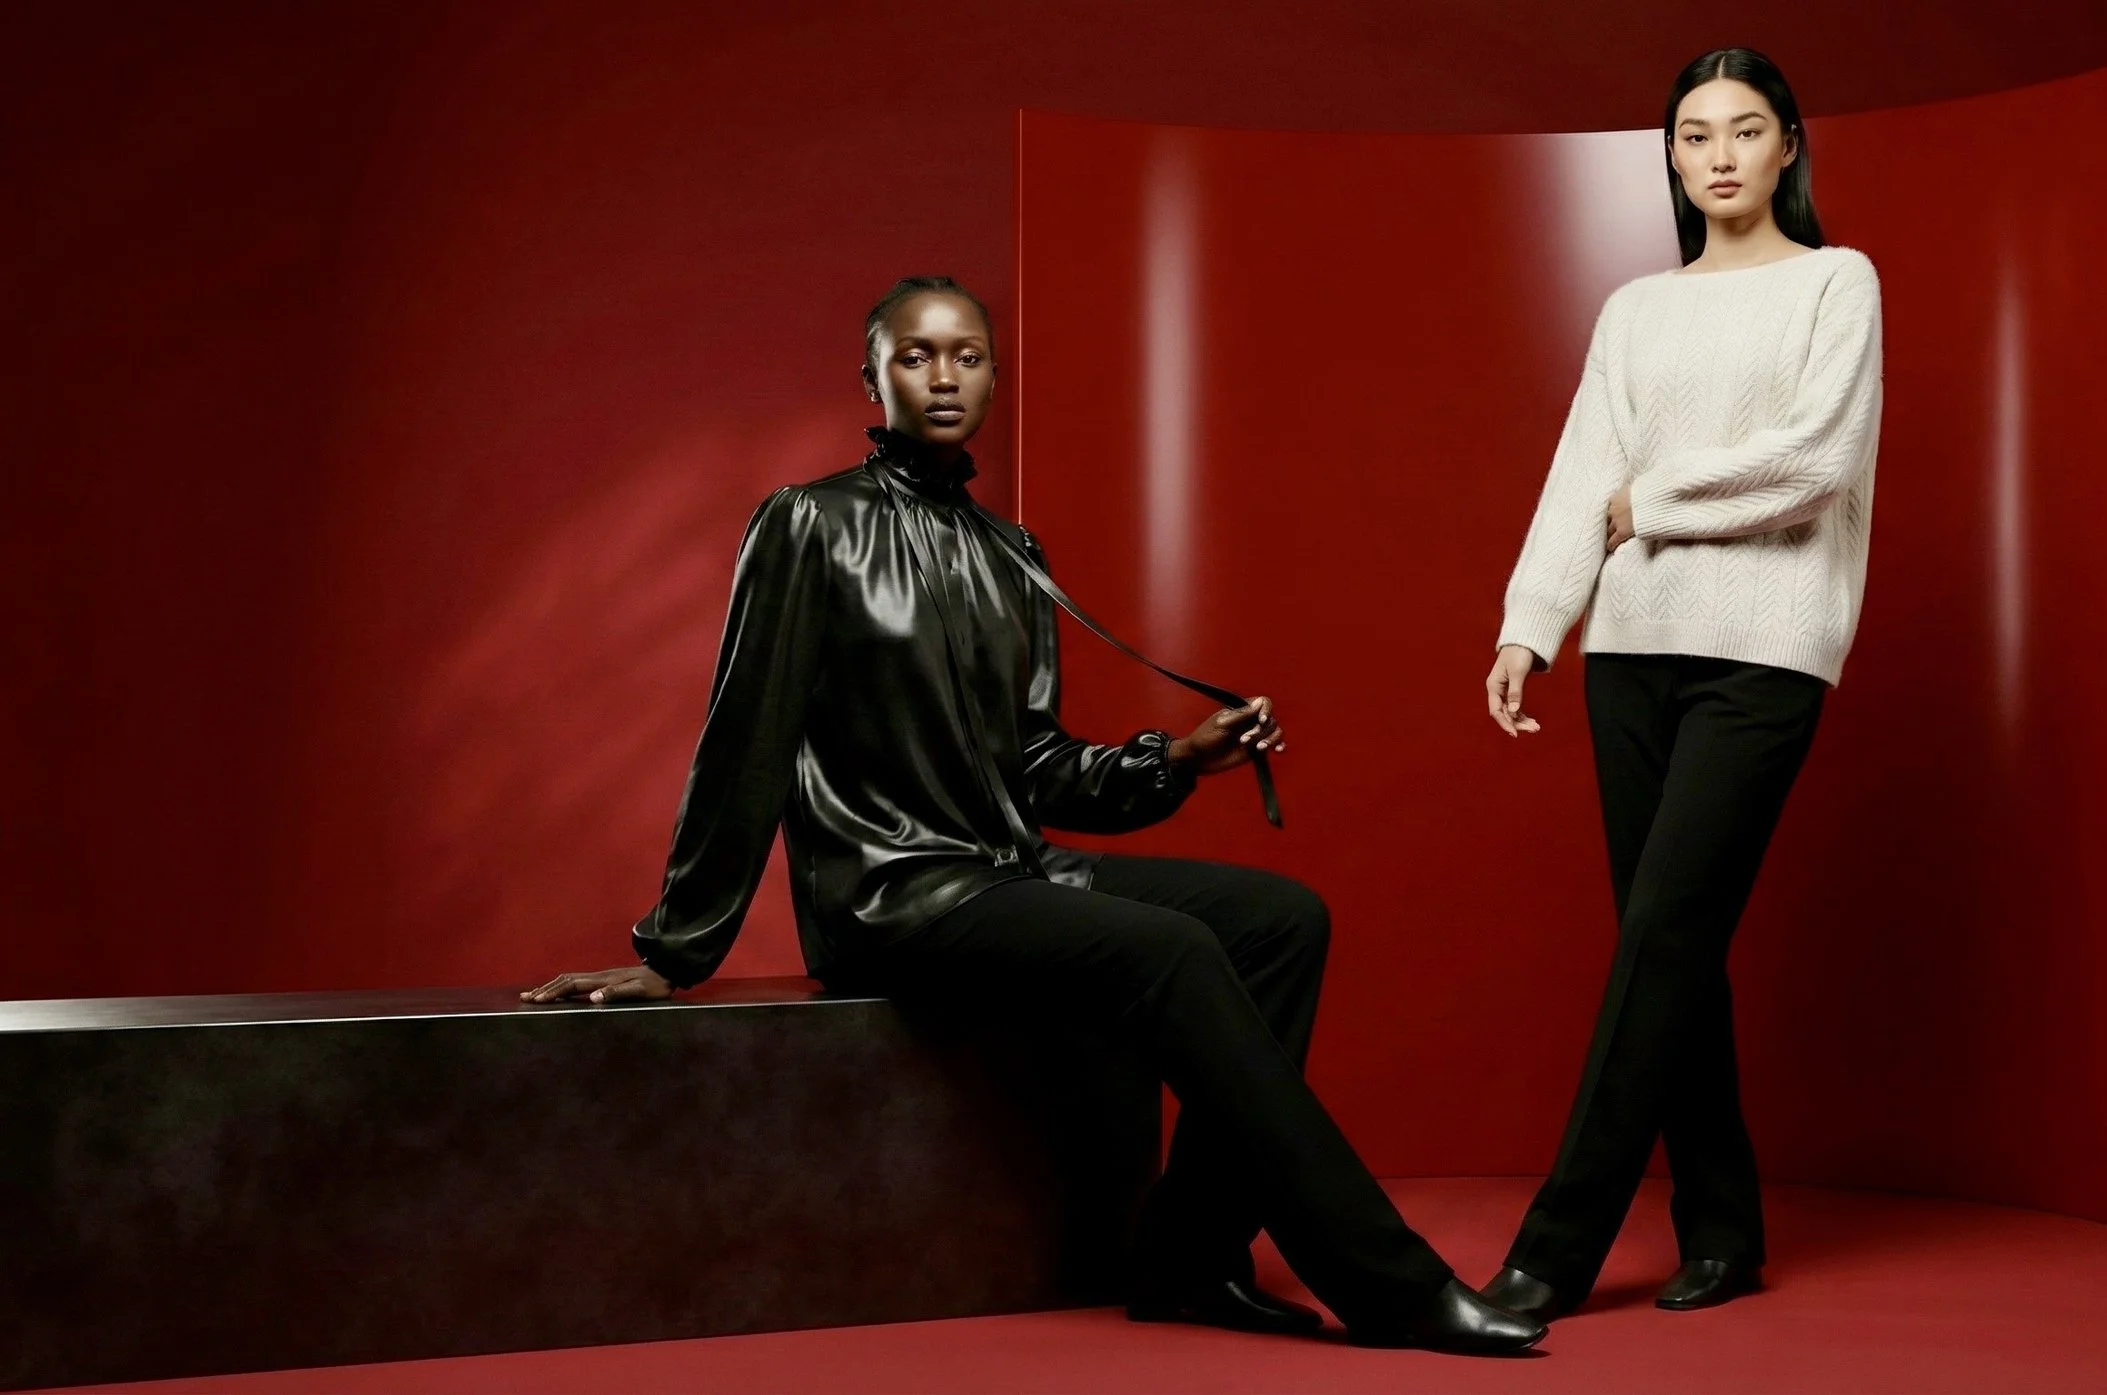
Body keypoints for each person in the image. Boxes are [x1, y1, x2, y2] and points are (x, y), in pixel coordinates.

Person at [523, 276, 1543, 1355]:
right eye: (916, 355)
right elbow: (747, 735)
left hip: (1006, 872)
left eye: (967, 356)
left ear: (994, 378)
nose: (944, 376)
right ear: (871, 377)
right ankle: (1390, 1283)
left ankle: (1190, 1258)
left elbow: (1039, 765)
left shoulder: (1012, 552)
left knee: (1282, 920)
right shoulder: (808, 524)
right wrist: (677, 950)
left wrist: (1179, 759)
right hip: (891, 895)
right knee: (1173, 950)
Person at [1476, 48, 1884, 1319]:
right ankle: (1722, 1229)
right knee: (1673, 949)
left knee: (1662, 936)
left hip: (1765, 649)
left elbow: (1813, 463)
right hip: (1630, 648)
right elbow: (1579, 468)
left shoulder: (1835, 282)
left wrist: (1648, 501)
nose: (1719, 155)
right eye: (1695, 134)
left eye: (1745, 130)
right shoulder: (1634, 310)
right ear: (1670, 157)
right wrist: (1532, 623)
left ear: (1788, 147)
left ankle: (1552, 1253)